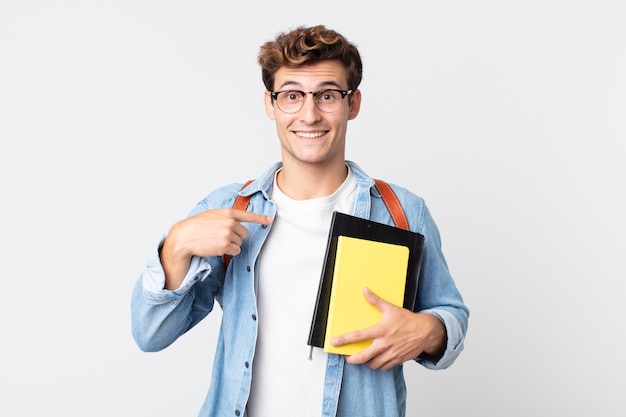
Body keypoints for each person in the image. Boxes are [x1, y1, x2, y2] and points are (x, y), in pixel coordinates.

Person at [131, 24, 469, 417]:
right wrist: (176, 245)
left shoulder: (401, 211)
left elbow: (450, 314)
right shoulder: (230, 208)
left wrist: (429, 330)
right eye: (292, 95)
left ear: (352, 103)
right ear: (270, 104)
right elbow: (150, 334)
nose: (309, 114)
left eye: (327, 95)